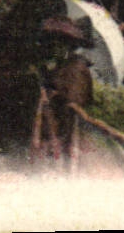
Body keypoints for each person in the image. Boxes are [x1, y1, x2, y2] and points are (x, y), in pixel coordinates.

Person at [32, 16, 94, 168]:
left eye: (59, 44)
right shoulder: (59, 67)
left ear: (68, 46)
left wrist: (55, 95)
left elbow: (76, 101)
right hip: (52, 128)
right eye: (52, 44)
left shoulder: (77, 68)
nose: (54, 48)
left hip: (68, 131)